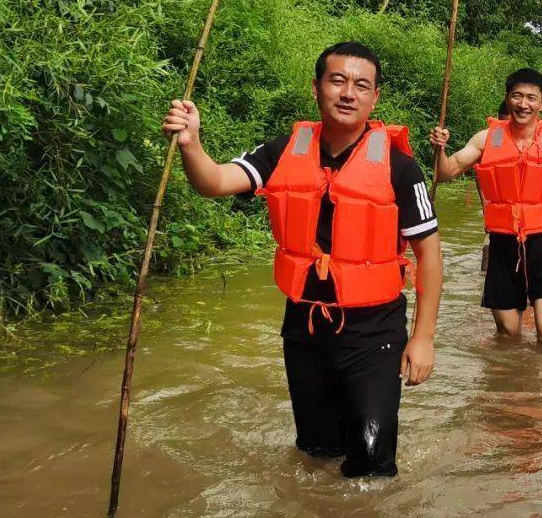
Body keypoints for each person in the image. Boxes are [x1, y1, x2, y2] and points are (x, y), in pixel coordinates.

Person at [161, 41, 443, 478]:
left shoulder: (400, 166)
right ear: (316, 88)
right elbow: (214, 182)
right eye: (337, 80)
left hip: (374, 330)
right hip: (305, 326)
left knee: (370, 461)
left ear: (374, 97)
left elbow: (429, 256)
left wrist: (422, 338)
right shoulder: (282, 150)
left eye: (361, 85)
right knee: (316, 452)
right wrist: (190, 143)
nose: (348, 92)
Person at [429, 68, 542, 349]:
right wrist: (440, 149)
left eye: (531, 98)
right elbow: (445, 172)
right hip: (502, 246)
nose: (524, 104)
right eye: (517, 96)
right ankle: (511, 389)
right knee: (508, 337)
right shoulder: (485, 139)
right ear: (508, 99)